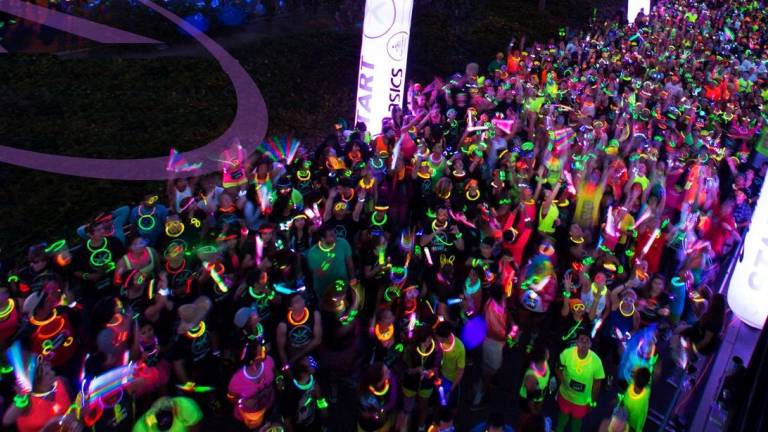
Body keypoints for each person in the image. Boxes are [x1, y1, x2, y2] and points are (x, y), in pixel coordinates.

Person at [555, 329, 605, 432]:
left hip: (582, 401)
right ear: (576, 342)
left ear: (590, 344)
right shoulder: (567, 353)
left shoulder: (596, 361)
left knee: (577, 421)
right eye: (581, 340)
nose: (584, 343)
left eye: (587, 341)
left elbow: (597, 384)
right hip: (565, 395)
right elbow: (558, 369)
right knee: (562, 417)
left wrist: (592, 402)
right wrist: (564, 382)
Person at [306, 224, 355, 300]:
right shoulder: (313, 252)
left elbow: (350, 264)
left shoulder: (343, 243)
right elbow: (320, 273)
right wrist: (328, 261)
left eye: (334, 233)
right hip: (323, 290)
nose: (335, 236)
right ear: (322, 239)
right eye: (331, 235)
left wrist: (353, 280)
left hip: (341, 286)